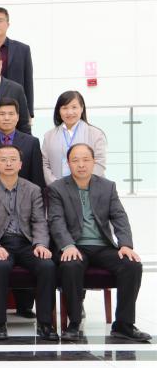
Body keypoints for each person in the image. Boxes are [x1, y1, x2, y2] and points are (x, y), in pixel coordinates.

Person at [48, 143, 150, 342]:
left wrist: (125, 245)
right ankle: (74, 323)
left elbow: (119, 217)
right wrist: (67, 245)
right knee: (70, 265)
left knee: (132, 265)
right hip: (75, 245)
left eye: (86, 160)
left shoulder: (107, 186)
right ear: (68, 163)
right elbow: (56, 220)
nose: (81, 164)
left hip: (102, 246)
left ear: (94, 162)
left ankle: (124, 325)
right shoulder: (57, 188)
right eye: (75, 160)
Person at [0, 145, 57, 341]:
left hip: (27, 243)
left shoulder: (33, 189)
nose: (8, 163)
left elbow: (39, 221)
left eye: (13, 159)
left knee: (47, 266)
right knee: (0, 266)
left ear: (20, 164)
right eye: (3, 160)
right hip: (0, 242)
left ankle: (45, 324)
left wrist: (40, 244)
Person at [41, 91, 108, 185]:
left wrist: (81, 184)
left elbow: (99, 163)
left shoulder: (96, 134)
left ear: (82, 108)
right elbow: (45, 164)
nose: (69, 112)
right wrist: (56, 186)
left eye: (74, 107)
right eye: (65, 108)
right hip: (57, 189)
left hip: (89, 188)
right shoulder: (49, 136)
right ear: (59, 110)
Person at [0, 98, 45, 188]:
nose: (7, 118)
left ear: (18, 117)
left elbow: (37, 179)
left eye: (11, 114)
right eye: (2, 114)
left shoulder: (32, 143)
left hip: (24, 194)